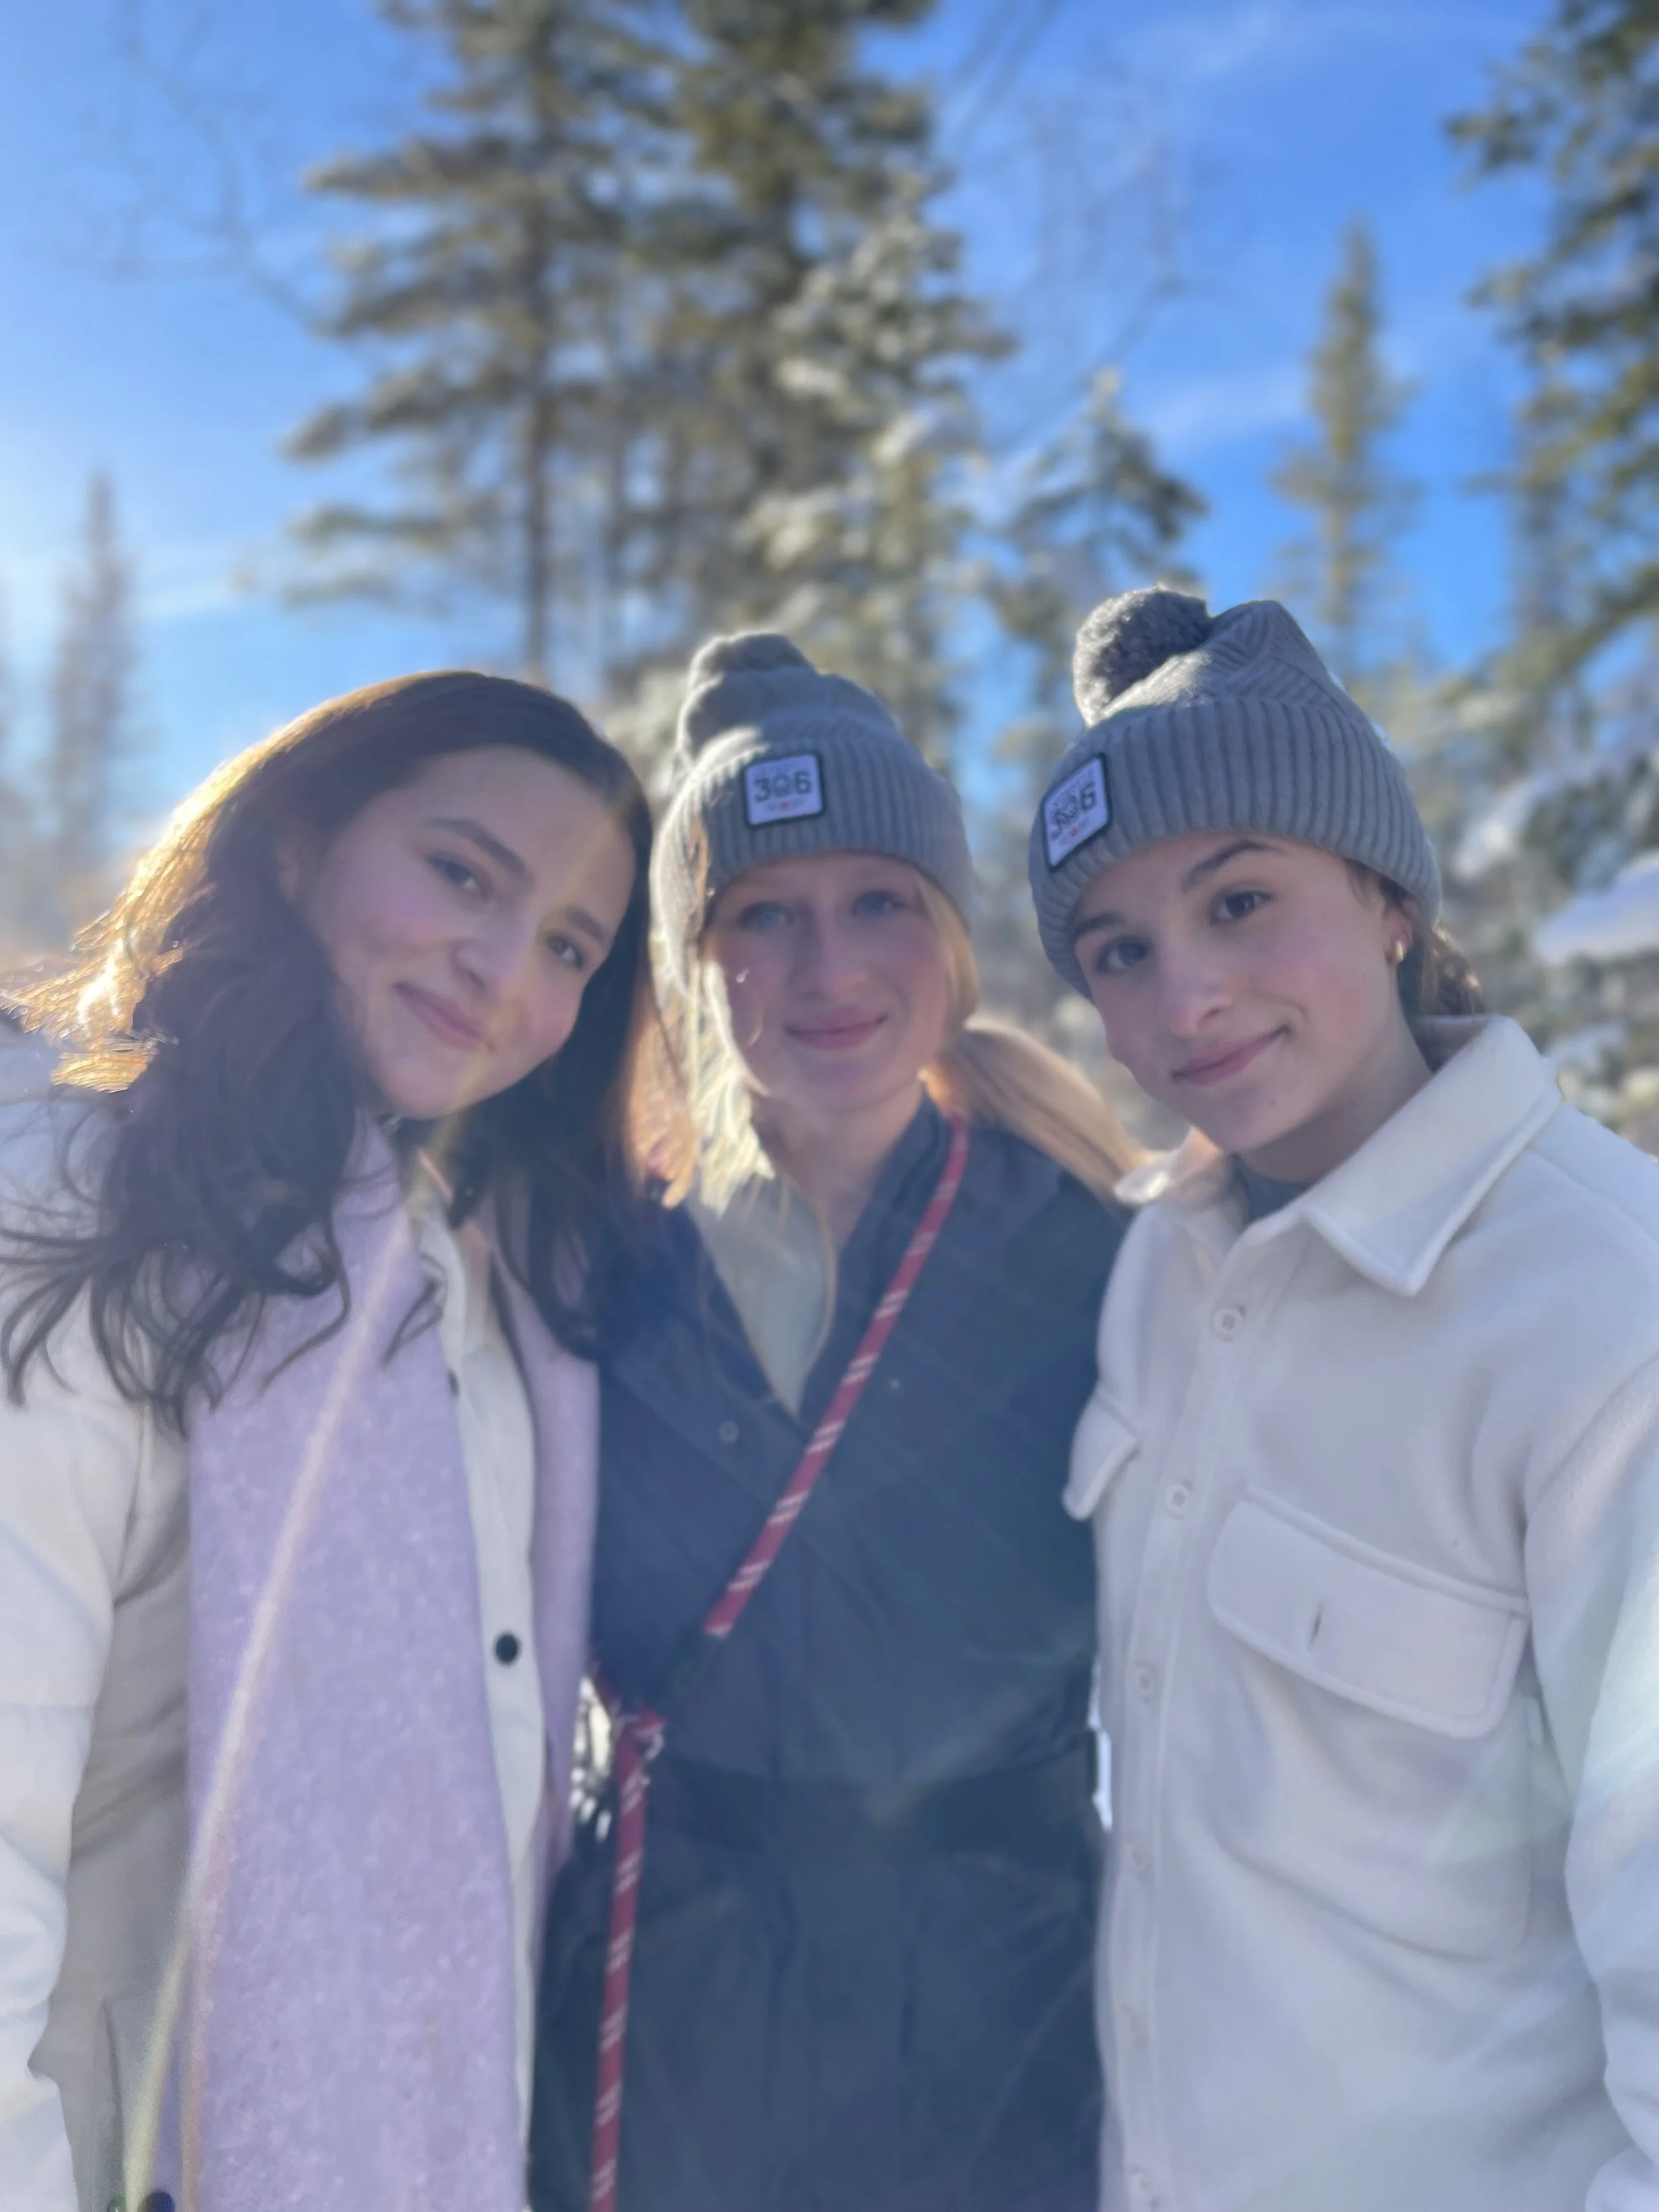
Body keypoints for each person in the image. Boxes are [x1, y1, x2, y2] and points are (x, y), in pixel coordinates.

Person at [1027, 585, 1659, 2212]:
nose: (1184, 998)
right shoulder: (1158, 1265)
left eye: (1239, 901)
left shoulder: (1602, 1314)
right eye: (1119, 950)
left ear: (1385, 898)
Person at [0, 670, 654, 2212]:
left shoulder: (486, 1271)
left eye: (569, 944)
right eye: (463, 875)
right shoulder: (78, 1189)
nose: (504, 967)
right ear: (296, 842)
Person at [529, 633, 1138, 2212]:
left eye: (877, 901)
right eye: (761, 914)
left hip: (1000, 2021)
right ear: (692, 958)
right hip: (670, 2021)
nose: (827, 967)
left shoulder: (1092, 1253)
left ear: (948, 936)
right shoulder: (597, 1268)